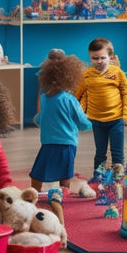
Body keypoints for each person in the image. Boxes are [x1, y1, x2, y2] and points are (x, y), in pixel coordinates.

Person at [30, 53, 91, 192]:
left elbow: (41, 118)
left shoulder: (45, 98)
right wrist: (92, 123)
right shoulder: (69, 99)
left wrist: (39, 121)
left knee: (38, 172)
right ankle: (63, 196)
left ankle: (34, 193)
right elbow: (82, 122)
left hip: (47, 142)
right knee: (65, 174)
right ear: (70, 79)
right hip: (67, 143)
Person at [75, 37, 127, 176]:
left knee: (117, 152)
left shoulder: (118, 73)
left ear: (110, 57)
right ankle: (98, 178)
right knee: (100, 152)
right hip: (96, 120)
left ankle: (118, 178)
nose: (99, 61)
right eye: (95, 58)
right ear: (90, 57)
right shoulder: (87, 75)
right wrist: (75, 115)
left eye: (102, 57)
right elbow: (77, 95)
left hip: (116, 119)